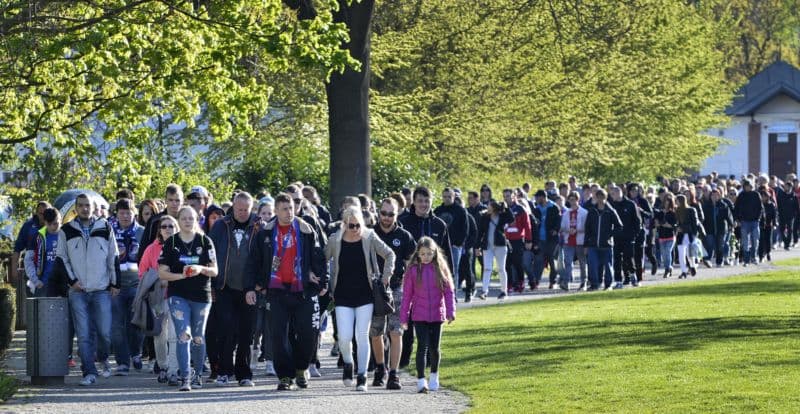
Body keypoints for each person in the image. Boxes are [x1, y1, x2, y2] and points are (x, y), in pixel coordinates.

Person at [247, 193, 327, 391]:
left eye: (291, 207)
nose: (289, 212)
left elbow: (319, 255)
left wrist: (318, 277)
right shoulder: (265, 233)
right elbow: (255, 261)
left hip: (303, 291)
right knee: (278, 336)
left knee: (308, 333)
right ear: (275, 211)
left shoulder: (307, 230)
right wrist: (253, 285)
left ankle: (301, 368)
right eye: (284, 208)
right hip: (277, 291)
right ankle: (284, 376)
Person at [326, 205, 396, 392]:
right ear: (344, 224)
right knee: (344, 336)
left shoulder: (369, 236)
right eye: (351, 225)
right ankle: (348, 363)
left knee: (362, 335)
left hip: (366, 294)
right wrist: (318, 277)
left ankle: (362, 376)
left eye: (358, 225)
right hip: (342, 294)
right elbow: (321, 259)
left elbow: (390, 254)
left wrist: (385, 276)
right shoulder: (335, 240)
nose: (355, 229)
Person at [57, 193, 120, 386]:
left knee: (104, 331)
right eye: (81, 205)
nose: (85, 208)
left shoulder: (105, 227)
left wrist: (115, 283)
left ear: (93, 208)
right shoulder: (66, 230)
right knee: (83, 334)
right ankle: (89, 372)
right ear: (76, 208)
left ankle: (103, 359)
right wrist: (72, 282)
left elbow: (113, 256)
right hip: (78, 291)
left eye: (88, 205)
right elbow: (61, 259)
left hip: (101, 289)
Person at [158, 206, 218, 391]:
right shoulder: (171, 242)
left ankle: (198, 374)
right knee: (184, 335)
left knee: (198, 337)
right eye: (183, 218)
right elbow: (162, 273)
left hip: (201, 295)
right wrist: (182, 275)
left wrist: (200, 269)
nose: (187, 221)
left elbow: (215, 271)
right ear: (179, 219)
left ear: (197, 219)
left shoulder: (205, 241)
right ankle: (185, 377)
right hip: (178, 295)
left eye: (191, 218)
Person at [208, 192, 260, 387]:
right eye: (239, 209)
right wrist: (211, 285)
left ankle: (244, 374)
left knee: (247, 333)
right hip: (225, 287)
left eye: (246, 209)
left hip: (250, 289)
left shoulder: (259, 226)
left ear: (251, 208)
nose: (243, 213)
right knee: (226, 330)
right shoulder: (221, 225)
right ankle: (224, 371)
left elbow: (265, 256)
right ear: (233, 207)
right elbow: (210, 253)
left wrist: (259, 285)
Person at [399, 237, 456, 394]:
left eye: (429, 254)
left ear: (434, 253)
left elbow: (449, 292)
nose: (426, 257)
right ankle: (421, 380)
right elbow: (407, 296)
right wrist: (404, 317)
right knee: (422, 347)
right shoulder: (412, 271)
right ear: (418, 254)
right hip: (419, 315)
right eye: (423, 254)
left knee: (434, 348)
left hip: (437, 314)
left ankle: (434, 375)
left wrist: (451, 312)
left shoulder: (440, 269)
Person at [370, 198, 416, 389]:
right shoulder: (370, 234)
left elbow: (411, 265)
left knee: (396, 332)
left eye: (391, 214)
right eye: (384, 213)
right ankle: (381, 368)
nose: (387, 217)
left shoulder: (404, 236)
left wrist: (409, 290)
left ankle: (394, 373)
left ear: (397, 214)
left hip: (397, 288)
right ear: (378, 213)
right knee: (376, 332)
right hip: (375, 290)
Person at [139, 215, 179, 385]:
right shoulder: (151, 249)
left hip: (178, 296)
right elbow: (142, 273)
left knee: (175, 335)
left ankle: (173, 370)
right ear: (159, 230)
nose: (168, 229)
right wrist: (158, 279)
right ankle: (163, 366)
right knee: (160, 334)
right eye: (164, 226)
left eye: (171, 226)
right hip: (157, 297)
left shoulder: (183, 247)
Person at [110, 198, 145, 375]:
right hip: (116, 284)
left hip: (137, 283)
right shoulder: (109, 231)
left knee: (136, 323)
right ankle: (122, 362)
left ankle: (136, 353)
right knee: (117, 325)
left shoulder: (142, 232)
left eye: (128, 212)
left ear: (135, 213)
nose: (125, 216)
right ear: (116, 214)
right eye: (121, 212)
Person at [584, 190, 622, 291]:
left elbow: (619, 226)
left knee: (608, 266)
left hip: (606, 244)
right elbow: (587, 229)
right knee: (592, 265)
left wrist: (609, 235)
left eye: (602, 197)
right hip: (593, 244)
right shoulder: (592, 211)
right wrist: (586, 245)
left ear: (605, 198)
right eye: (598, 197)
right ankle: (594, 284)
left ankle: (608, 284)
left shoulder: (610, 211)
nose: (600, 200)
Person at [477, 200, 514, 300]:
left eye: (489, 206)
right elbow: (480, 232)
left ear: (493, 207)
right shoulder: (484, 217)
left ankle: (504, 291)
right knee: (487, 268)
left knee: (501, 269)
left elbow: (511, 219)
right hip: (487, 246)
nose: (487, 207)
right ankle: (484, 291)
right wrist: (477, 247)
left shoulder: (502, 216)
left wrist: (506, 208)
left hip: (500, 245)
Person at [434, 188, 468, 284]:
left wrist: (459, 244)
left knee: (454, 270)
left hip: (454, 246)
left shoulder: (461, 211)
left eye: (449, 196)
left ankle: (454, 294)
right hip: (440, 246)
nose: (447, 199)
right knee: (439, 269)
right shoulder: (437, 211)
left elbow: (465, 229)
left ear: (453, 197)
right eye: (445, 196)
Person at [502, 189, 533, 293]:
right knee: (507, 263)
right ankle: (509, 284)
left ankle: (520, 282)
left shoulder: (521, 209)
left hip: (517, 240)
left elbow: (527, 226)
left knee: (517, 263)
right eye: (505, 196)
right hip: (506, 240)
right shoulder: (502, 209)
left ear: (514, 196)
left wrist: (529, 240)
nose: (507, 198)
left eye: (508, 196)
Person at [140, 184, 185, 257]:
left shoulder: (188, 220)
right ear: (166, 201)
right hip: (157, 264)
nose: (174, 203)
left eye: (177, 200)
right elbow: (144, 248)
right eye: (171, 200)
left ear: (182, 201)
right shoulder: (154, 221)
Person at [609, 186, 640, 289]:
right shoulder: (611, 205)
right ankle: (618, 281)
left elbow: (637, 220)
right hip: (616, 237)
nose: (613, 195)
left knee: (628, 257)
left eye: (615, 193)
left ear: (620, 193)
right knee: (617, 259)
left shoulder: (630, 204)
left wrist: (634, 234)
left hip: (628, 236)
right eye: (612, 194)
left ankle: (632, 275)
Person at [14, 201, 51, 284]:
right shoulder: (28, 226)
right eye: (41, 213)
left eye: (45, 214)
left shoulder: (55, 226)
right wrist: (14, 270)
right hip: (32, 273)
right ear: (36, 213)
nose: (43, 216)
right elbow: (17, 249)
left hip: (51, 275)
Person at [531, 190, 560, 290]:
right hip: (540, 239)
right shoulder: (536, 209)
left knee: (553, 261)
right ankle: (536, 281)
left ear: (543, 197)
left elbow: (558, 221)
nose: (536, 199)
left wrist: (556, 230)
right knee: (538, 261)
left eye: (537, 197)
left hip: (552, 240)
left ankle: (553, 281)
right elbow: (533, 224)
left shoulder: (554, 207)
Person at [559, 192, 587, 291]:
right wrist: (568, 230)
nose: (572, 202)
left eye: (574, 199)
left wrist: (577, 230)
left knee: (582, 263)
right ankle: (566, 282)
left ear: (578, 200)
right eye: (570, 200)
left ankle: (584, 282)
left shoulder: (584, 212)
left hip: (580, 241)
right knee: (567, 262)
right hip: (568, 241)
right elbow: (562, 227)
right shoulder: (566, 213)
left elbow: (587, 228)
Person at [733, 179, 763, 266]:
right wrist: (737, 219)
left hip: (754, 221)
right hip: (744, 221)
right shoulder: (741, 195)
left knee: (755, 240)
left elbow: (760, 208)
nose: (747, 187)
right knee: (745, 242)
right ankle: (746, 260)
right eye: (746, 186)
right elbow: (736, 208)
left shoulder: (756, 194)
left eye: (749, 185)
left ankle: (754, 257)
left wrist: (758, 218)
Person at [701, 189, 733, 267]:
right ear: (710, 196)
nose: (714, 197)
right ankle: (707, 260)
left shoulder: (723, 205)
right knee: (710, 245)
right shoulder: (706, 206)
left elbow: (728, 216)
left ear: (719, 196)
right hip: (709, 229)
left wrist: (731, 224)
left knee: (720, 246)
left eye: (716, 195)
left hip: (721, 229)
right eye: (713, 195)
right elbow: (703, 218)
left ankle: (719, 261)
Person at [675, 195, 701, 279]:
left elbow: (695, 222)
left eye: (677, 201)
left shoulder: (691, 210)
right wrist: (677, 227)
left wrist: (694, 234)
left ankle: (693, 266)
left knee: (689, 254)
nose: (676, 202)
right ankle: (683, 271)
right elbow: (676, 222)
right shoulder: (677, 210)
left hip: (689, 234)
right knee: (681, 254)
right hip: (681, 235)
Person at [777, 181, 799, 251]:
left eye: (788, 186)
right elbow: (779, 205)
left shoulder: (794, 196)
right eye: (786, 186)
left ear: (791, 187)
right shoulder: (781, 195)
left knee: (790, 230)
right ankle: (785, 241)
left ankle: (787, 244)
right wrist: (779, 213)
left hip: (790, 216)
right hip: (782, 215)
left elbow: (796, 206)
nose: (787, 187)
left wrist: (795, 214)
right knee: (782, 229)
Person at [758, 190, 777, 262]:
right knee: (761, 240)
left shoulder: (771, 205)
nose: (763, 198)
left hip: (769, 225)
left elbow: (774, 215)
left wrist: (774, 223)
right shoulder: (759, 204)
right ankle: (761, 255)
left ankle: (768, 252)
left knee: (768, 240)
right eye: (762, 196)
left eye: (764, 196)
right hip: (761, 225)